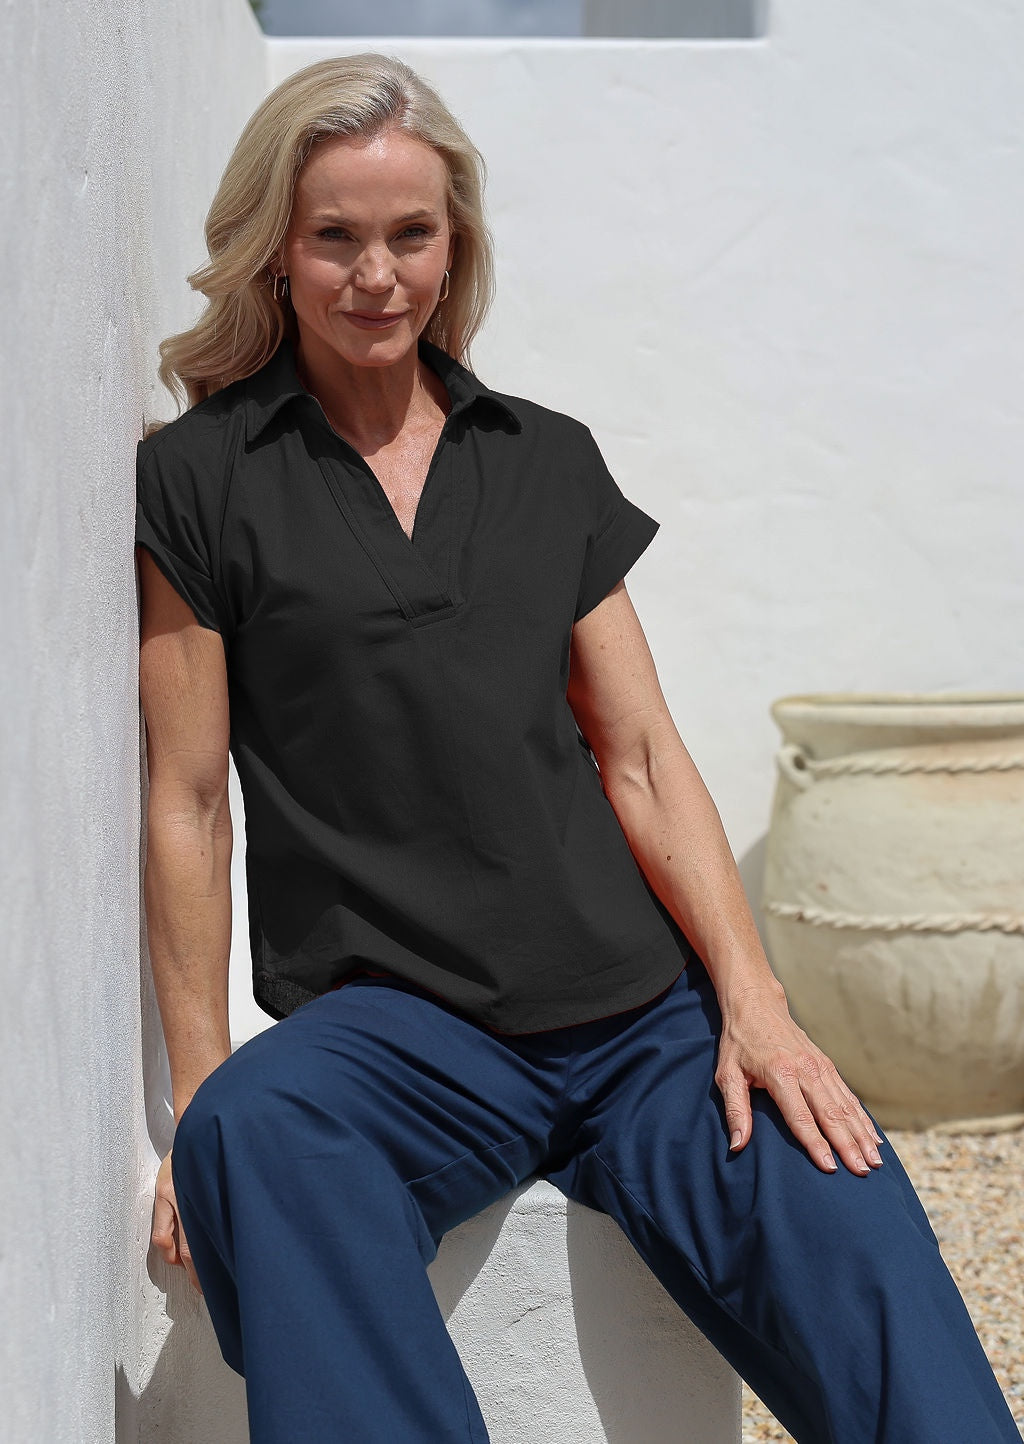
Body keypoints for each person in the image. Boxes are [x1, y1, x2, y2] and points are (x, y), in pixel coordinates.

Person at [135, 53, 1019, 1444]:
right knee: (256, 1129)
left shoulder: (544, 459)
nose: (377, 275)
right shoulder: (203, 480)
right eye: (336, 237)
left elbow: (643, 753)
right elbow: (188, 800)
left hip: (640, 1020)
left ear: (455, 247)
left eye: (411, 234)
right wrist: (196, 1095)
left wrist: (754, 1001)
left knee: (844, 1197)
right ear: (276, 252)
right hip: (403, 1031)